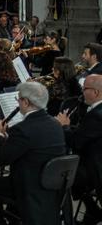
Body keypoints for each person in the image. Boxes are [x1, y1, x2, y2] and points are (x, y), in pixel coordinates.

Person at [0, 82, 67, 225]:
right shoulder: (55, 124)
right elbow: (31, 145)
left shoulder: (22, 129)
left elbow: (2, 158)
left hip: (27, 185)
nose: (18, 103)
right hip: (50, 183)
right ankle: (14, 216)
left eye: (18, 99)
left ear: (26, 102)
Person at [56, 74, 102, 224]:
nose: (82, 92)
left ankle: (76, 216)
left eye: (85, 89)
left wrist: (64, 126)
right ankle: (92, 211)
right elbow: (87, 133)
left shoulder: (96, 115)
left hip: (96, 168)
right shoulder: (96, 111)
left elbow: (76, 142)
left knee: (65, 176)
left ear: (96, 92)